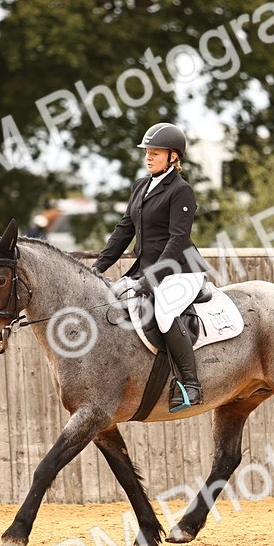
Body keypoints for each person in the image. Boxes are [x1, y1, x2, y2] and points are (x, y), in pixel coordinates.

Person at [91, 122, 210, 411]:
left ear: (173, 157)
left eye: (155, 153)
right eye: (147, 152)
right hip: (145, 269)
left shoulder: (181, 191)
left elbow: (178, 238)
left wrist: (154, 276)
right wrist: (97, 269)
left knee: (164, 310)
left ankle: (191, 384)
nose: (148, 157)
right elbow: (123, 230)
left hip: (183, 269)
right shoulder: (141, 186)